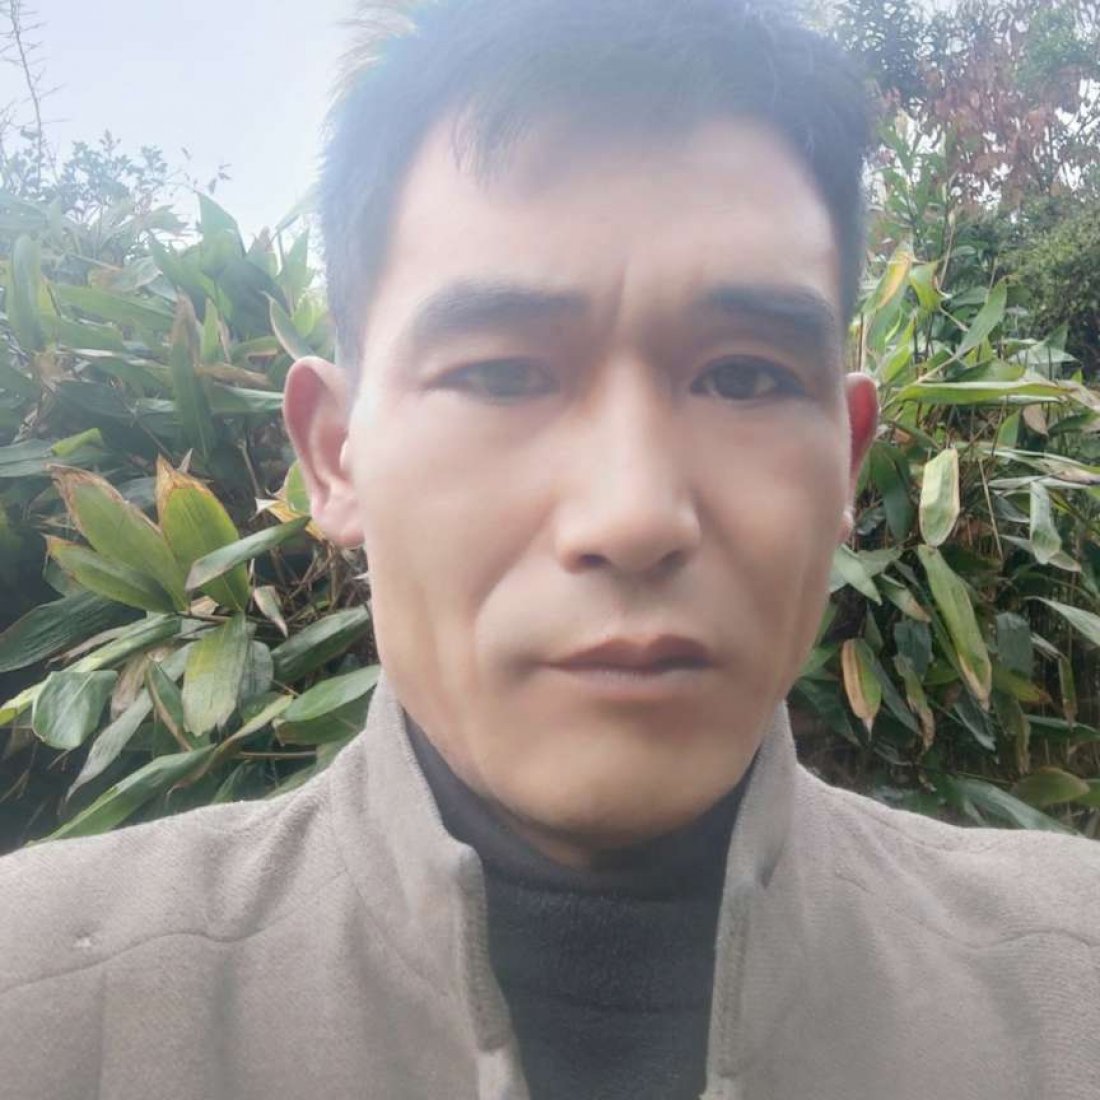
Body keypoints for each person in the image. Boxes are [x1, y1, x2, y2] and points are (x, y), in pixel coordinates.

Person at [2, 1, 1098, 1097]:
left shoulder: (1066, 995)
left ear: (846, 461)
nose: (632, 515)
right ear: (335, 456)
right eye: (498, 374)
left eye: (744, 376)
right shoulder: (49, 1006)